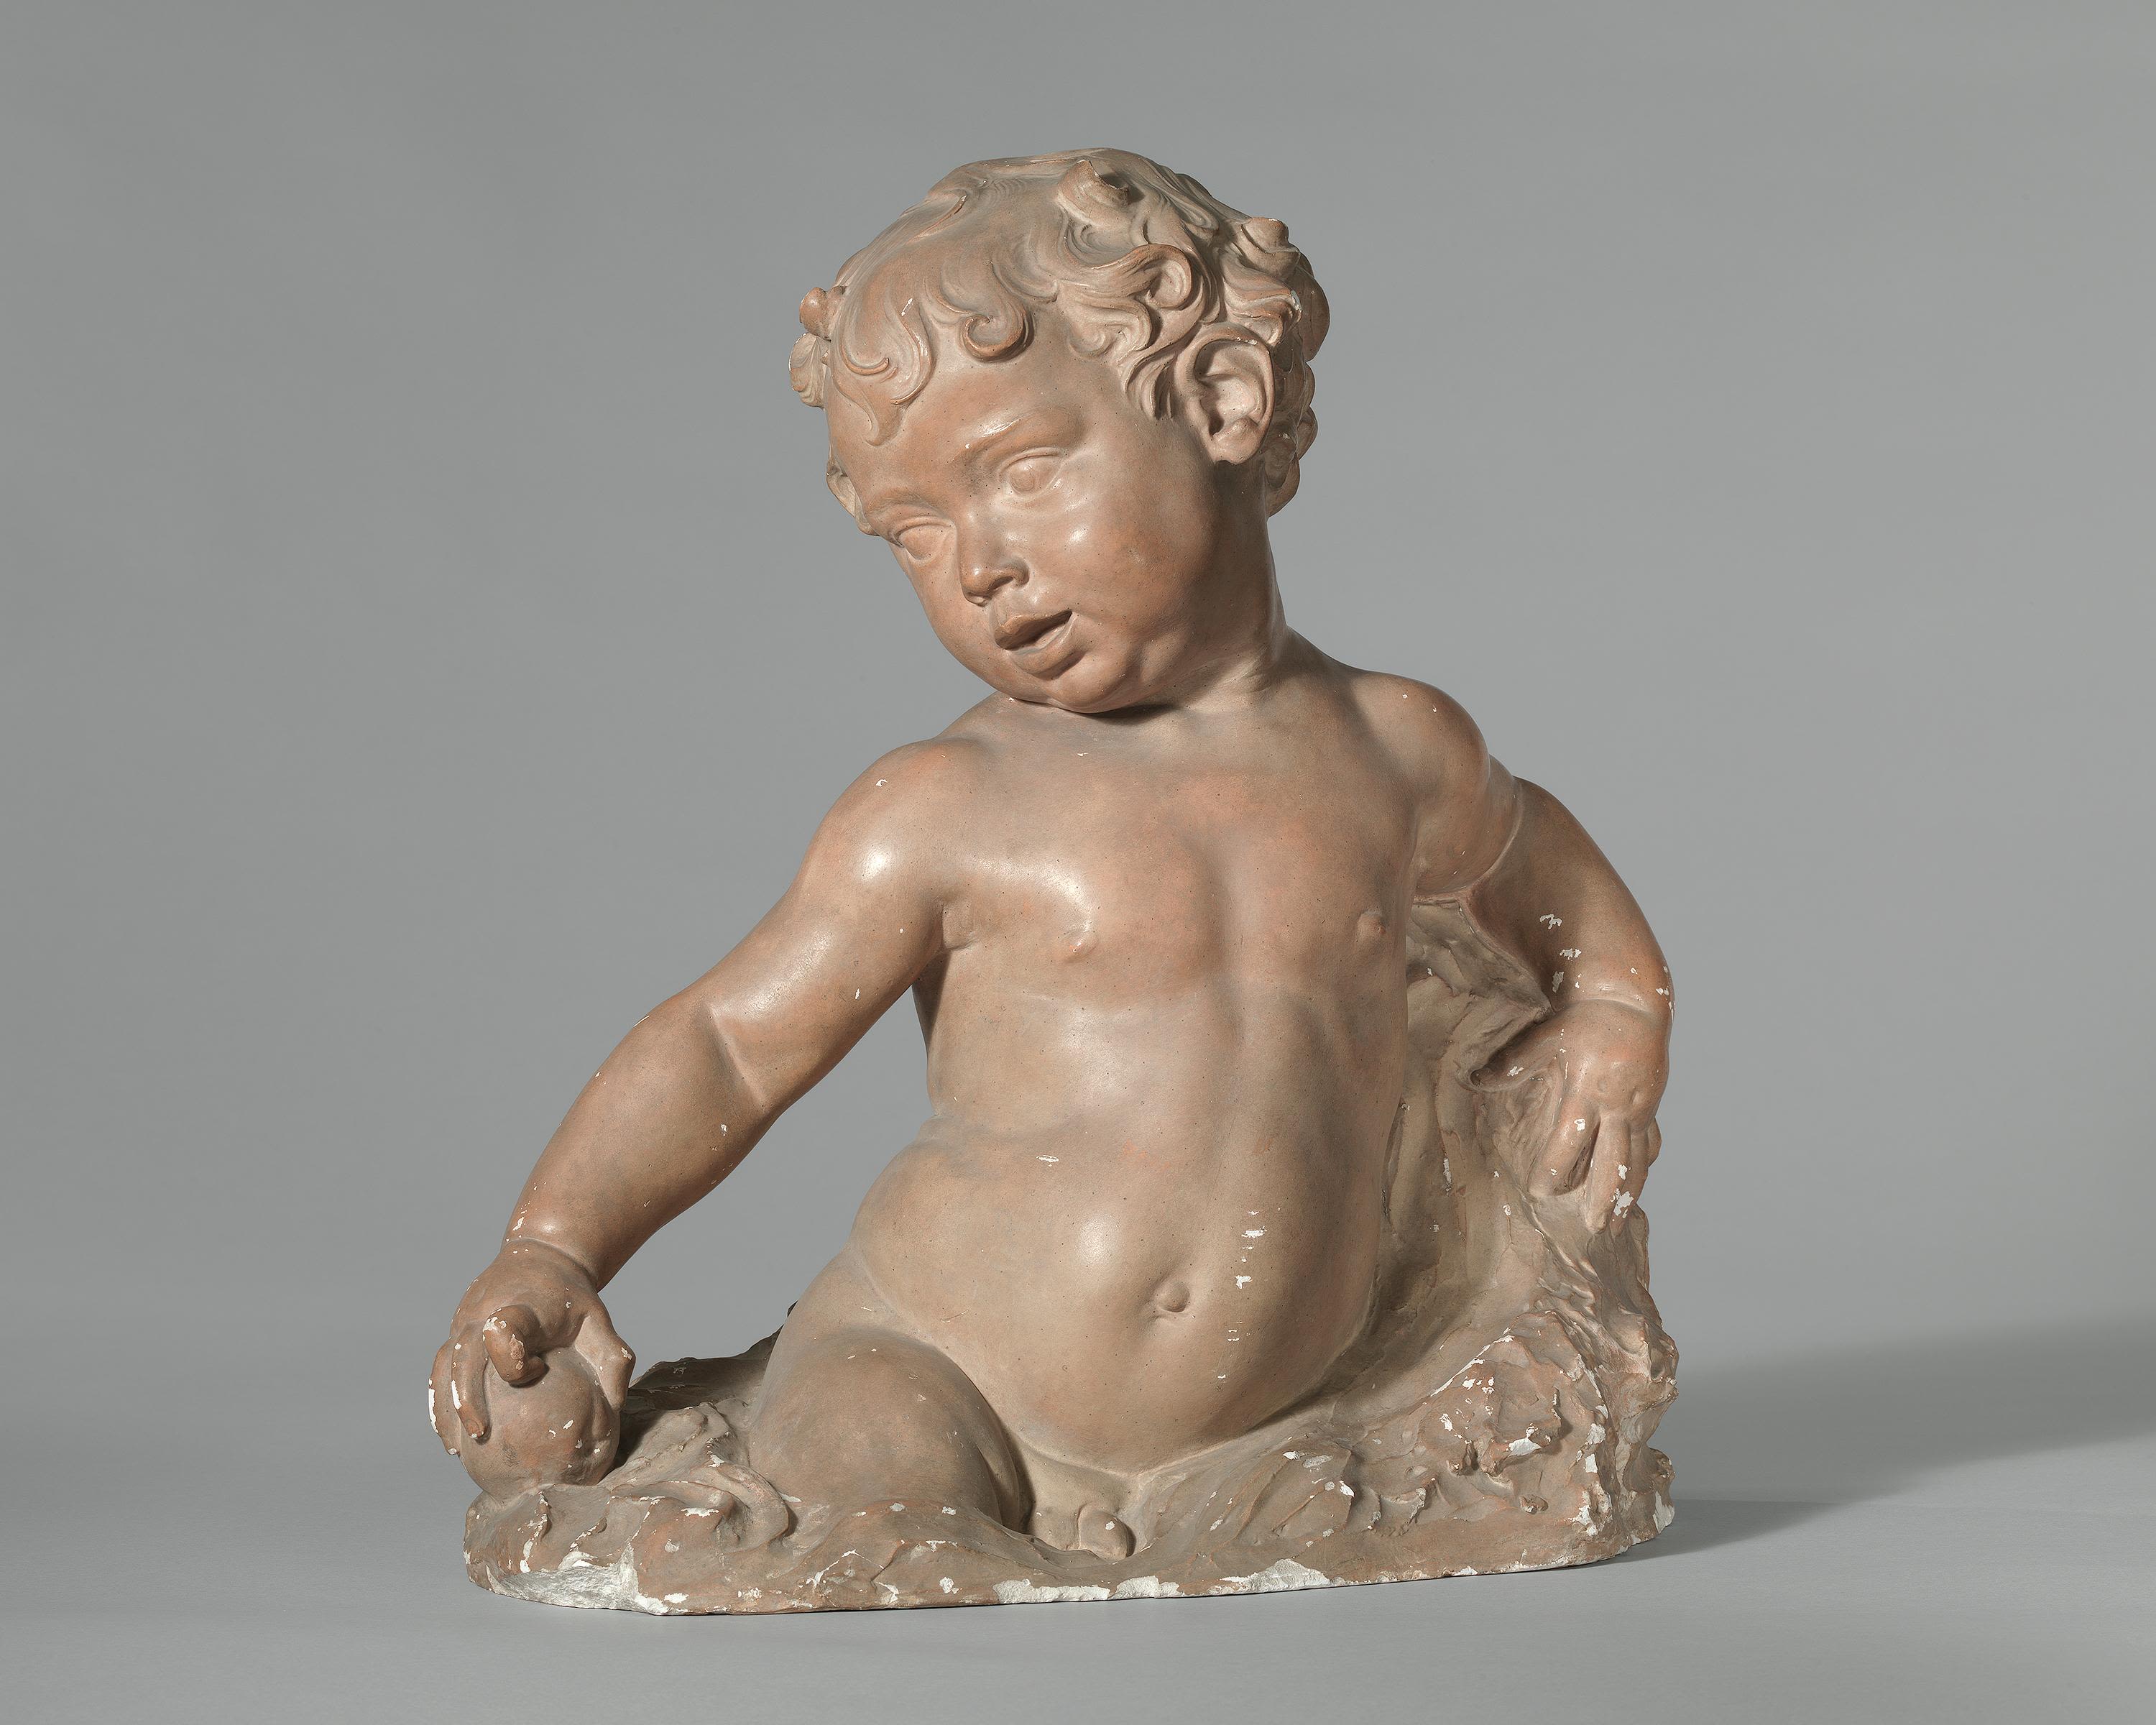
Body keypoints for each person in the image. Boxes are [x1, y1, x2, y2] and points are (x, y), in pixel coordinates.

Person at [432, 149, 1672, 1568]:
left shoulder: (1394, 753)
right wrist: (553, 1247)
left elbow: (1539, 871)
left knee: (1324, 1507)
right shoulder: (946, 806)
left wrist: (1617, 1009)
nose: (977, 566)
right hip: (933, 1364)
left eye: (1020, 471)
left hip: (1259, 1420)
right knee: (887, 1525)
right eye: (915, 532)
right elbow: (727, 1045)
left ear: (1224, 399)